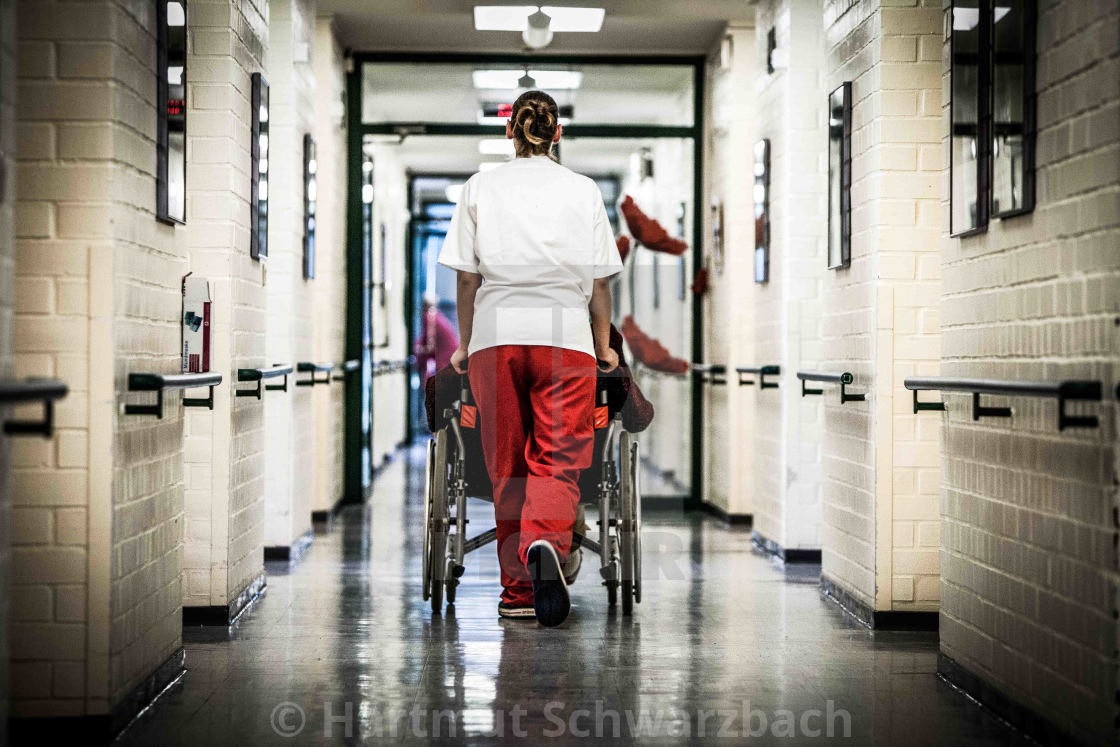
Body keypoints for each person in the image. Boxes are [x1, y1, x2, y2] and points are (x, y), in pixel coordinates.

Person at [437, 90, 623, 627]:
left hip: (497, 336)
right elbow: (598, 284)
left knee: (508, 463)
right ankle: (544, 540)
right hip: (565, 335)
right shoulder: (583, 191)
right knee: (558, 457)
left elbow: (467, 280)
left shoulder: (479, 187)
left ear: (509, 133)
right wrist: (605, 345)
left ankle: (517, 592)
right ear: (557, 133)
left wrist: (465, 345)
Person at [413, 292, 460, 388]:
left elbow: (429, 346)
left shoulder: (429, 317)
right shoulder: (436, 316)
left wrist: (415, 350)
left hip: (446, 361)